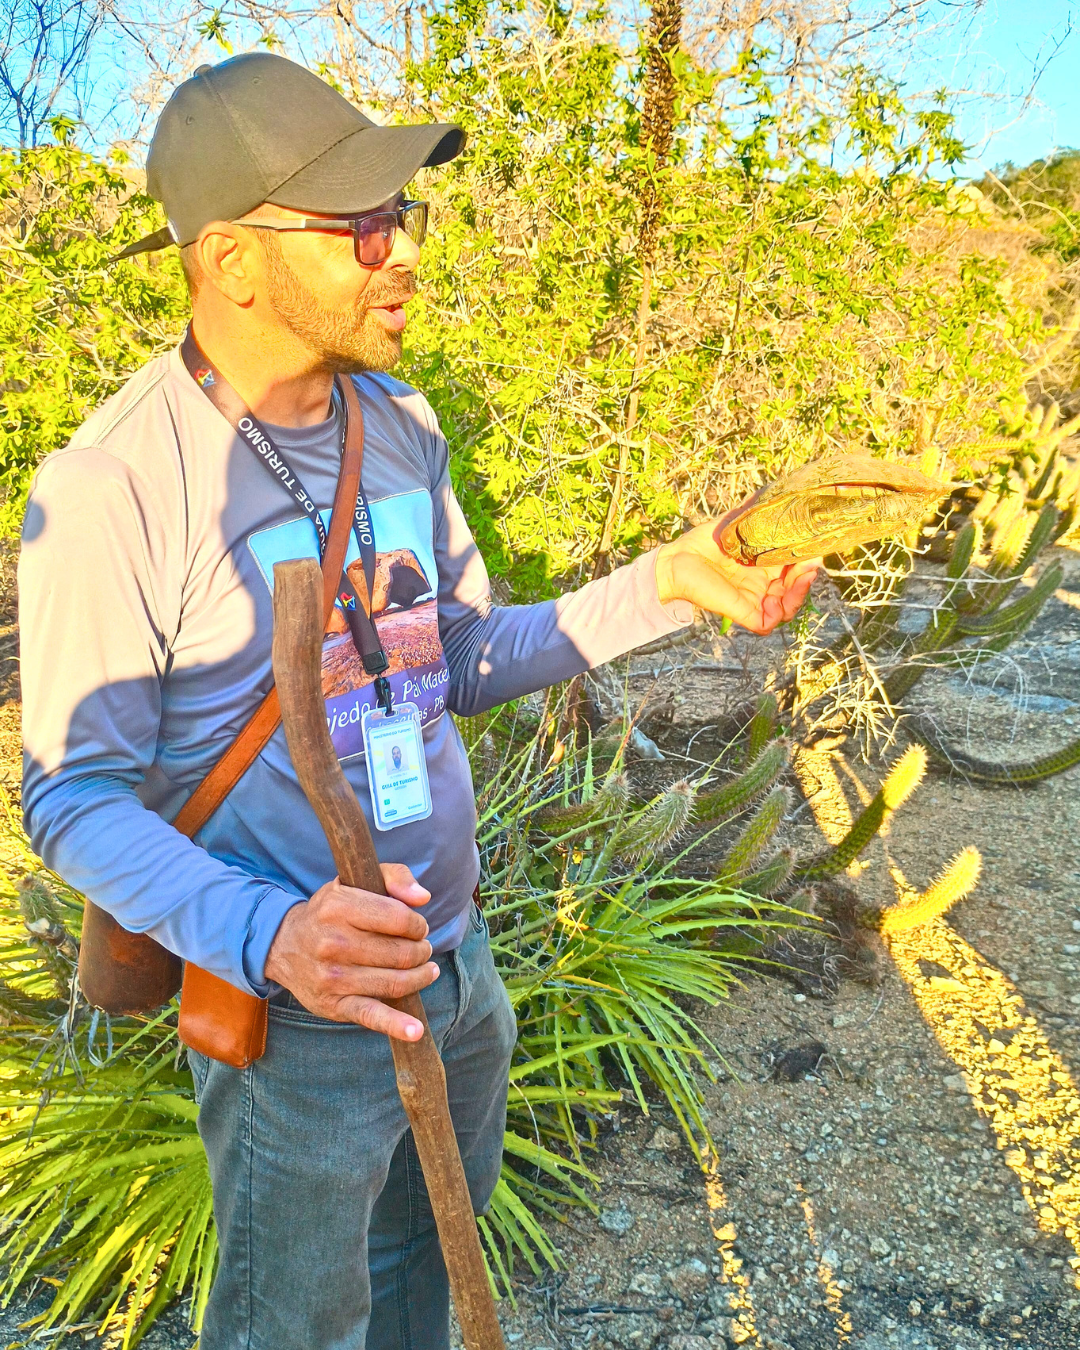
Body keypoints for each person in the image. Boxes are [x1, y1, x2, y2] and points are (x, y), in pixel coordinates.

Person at [18, 53, 818, 1350]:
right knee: (296, 1325)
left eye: (402, 215)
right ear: (229, 260)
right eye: (356, 225)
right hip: (300, 1026)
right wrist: (275, 936)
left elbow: (451, 651)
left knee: (422, 1284)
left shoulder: (401, 424)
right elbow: (67, 794)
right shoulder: (115, 483)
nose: (400, 251)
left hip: (460, 966)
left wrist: (671, 582)